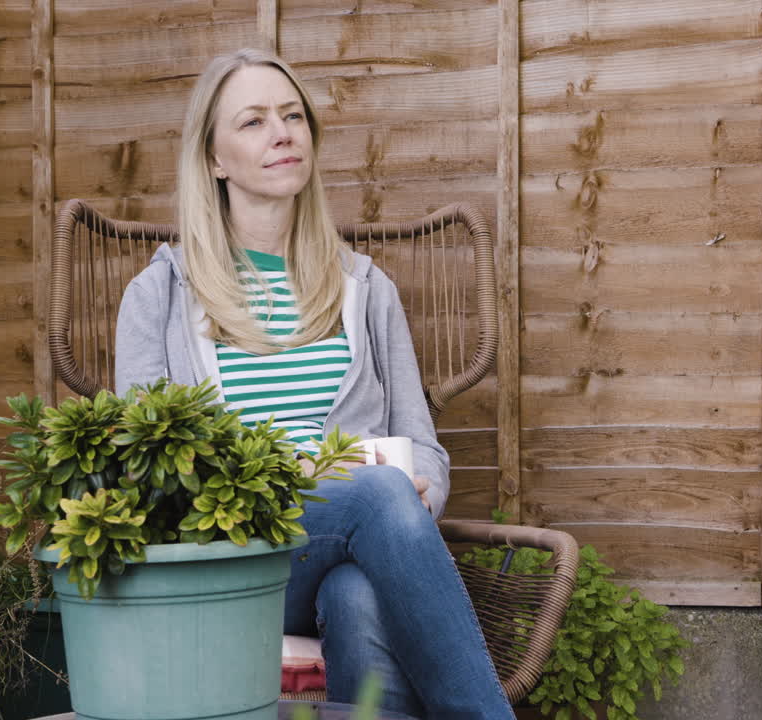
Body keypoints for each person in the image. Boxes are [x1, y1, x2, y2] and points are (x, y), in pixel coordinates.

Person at [114, 48, 515, 720]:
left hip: (349, 536)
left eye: (293, 115)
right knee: (376, 494)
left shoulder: (364, 288)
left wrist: (424, 489)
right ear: (213, 158)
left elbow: (425, 448)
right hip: (235, 553)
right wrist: (285, 473)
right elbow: (142, 470)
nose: (282, 132)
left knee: (356, 591)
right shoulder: (159, 295)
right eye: (253, 122)